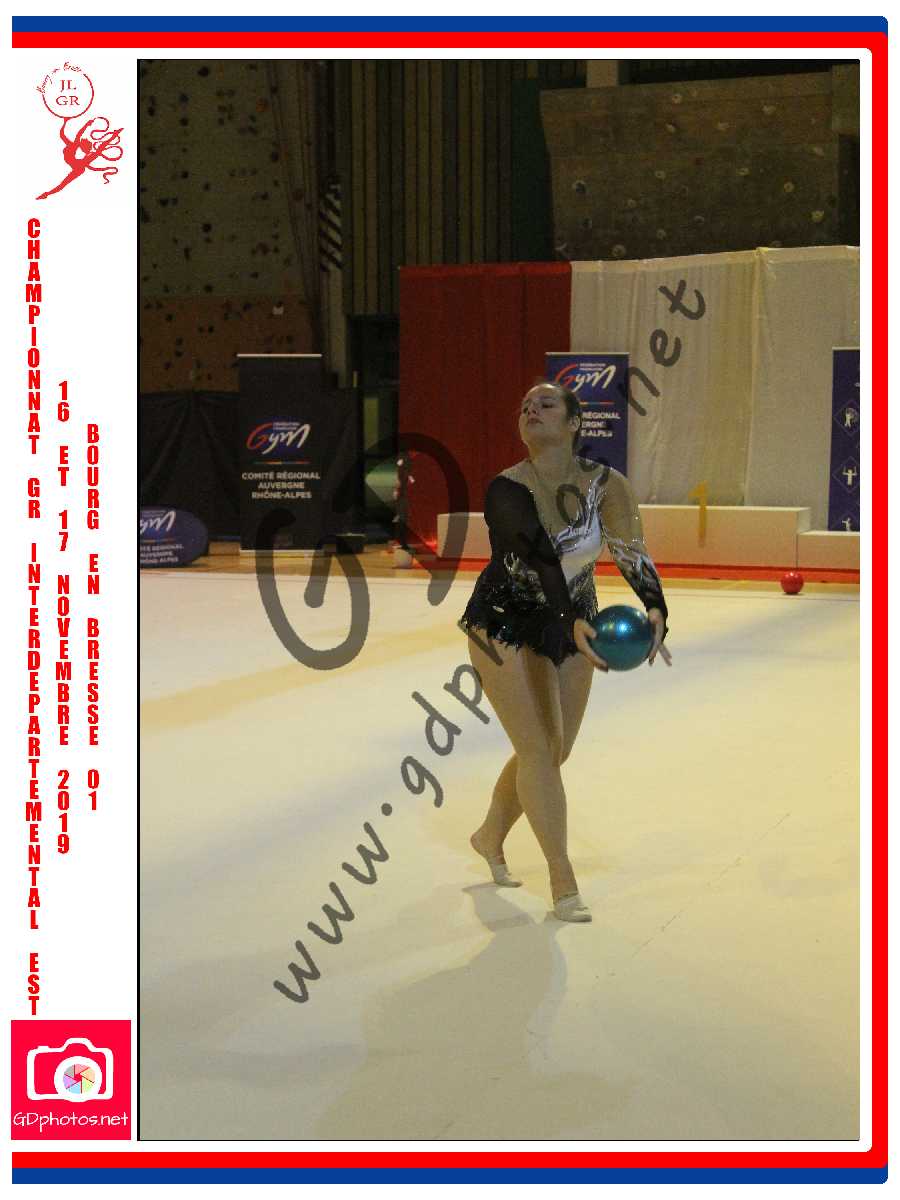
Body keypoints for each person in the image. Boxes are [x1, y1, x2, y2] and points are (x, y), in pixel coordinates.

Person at [458, 381, 673, 922]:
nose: (531, 409)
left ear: (575, 423)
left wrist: (655, 605)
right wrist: (569, 618)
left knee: (556, 751)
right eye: (525, 406)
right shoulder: (507, 488)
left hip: (573, 618)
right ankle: (561, 876)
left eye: (546, 404)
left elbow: (630, 549)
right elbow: (538, 559)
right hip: (503, 623)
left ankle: (489, 834)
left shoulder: (607, 485)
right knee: (536, 749)